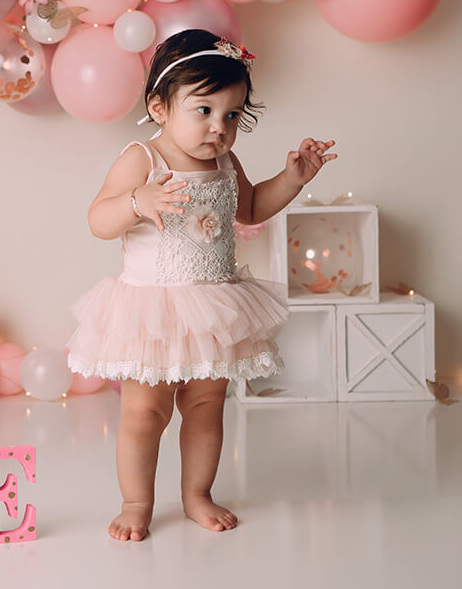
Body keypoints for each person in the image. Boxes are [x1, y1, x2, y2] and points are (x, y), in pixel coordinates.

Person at [66, 28, 337, 541]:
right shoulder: (142, 160)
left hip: (213, 306)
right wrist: (135, 202)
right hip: (151, 310)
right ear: (160, 107)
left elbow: (251, 208)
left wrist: (294, 180)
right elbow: (97, 220)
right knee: (145, 413)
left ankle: (197, 494)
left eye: (232, 115)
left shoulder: (225, 162)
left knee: (207, 407)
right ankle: (136, 501)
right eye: (204, 110)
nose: (219, 127)